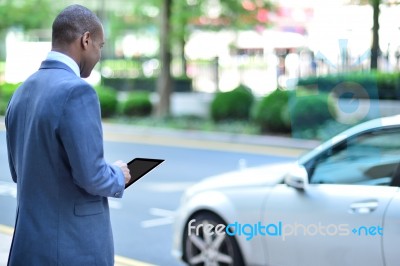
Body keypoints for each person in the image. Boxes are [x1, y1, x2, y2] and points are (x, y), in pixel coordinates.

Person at [5, 4, 131, 266]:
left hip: (28, 248)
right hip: (72, 251)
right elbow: (93, 177)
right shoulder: (78, 92)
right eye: (100, 45)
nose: (99, 54)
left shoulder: (21, 92)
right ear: (85, 40)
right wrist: (119, 174)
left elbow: (19, 172)